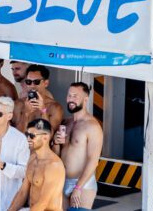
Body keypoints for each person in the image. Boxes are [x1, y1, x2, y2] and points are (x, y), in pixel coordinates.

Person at [53, 82, 103, 211]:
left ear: (85, 99)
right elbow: (57, 155)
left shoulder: (92, 126)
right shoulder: (66, 123)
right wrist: (56, 143)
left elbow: (93, 160)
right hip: (62, 180)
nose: (71, 99)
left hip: (83, 183)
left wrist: (78, 187)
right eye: (69, 95)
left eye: (75, 96)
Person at [8, 119, 65, 211]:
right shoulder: (32, 159)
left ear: (45, 137)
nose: (28, 139)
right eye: (27, 135)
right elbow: (23, 192)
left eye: (32, 136)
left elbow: (43, 203)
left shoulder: (54, 166)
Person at [13, 64, 63, 134]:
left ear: (46, 83)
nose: (32, 86)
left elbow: (49, 136)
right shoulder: (18, 104)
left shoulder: (55, 107)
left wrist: (43, 110)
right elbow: (17, 135)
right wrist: (26, 113)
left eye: (36, 82)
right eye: (29, 82)